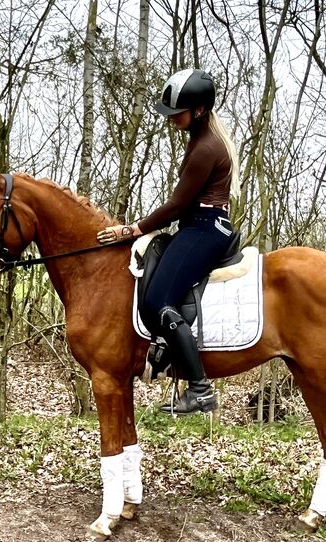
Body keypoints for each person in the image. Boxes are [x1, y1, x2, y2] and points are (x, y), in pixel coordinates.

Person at [97, 68, 240, 414]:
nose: (173, 119)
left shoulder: (206, 147)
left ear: (200, 110)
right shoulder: (200, 136)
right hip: (197, 225)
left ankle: (200, 389)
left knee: (158, 300)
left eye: (179, 113)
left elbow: (177, 205)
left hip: (206, 229)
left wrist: (133, 228)